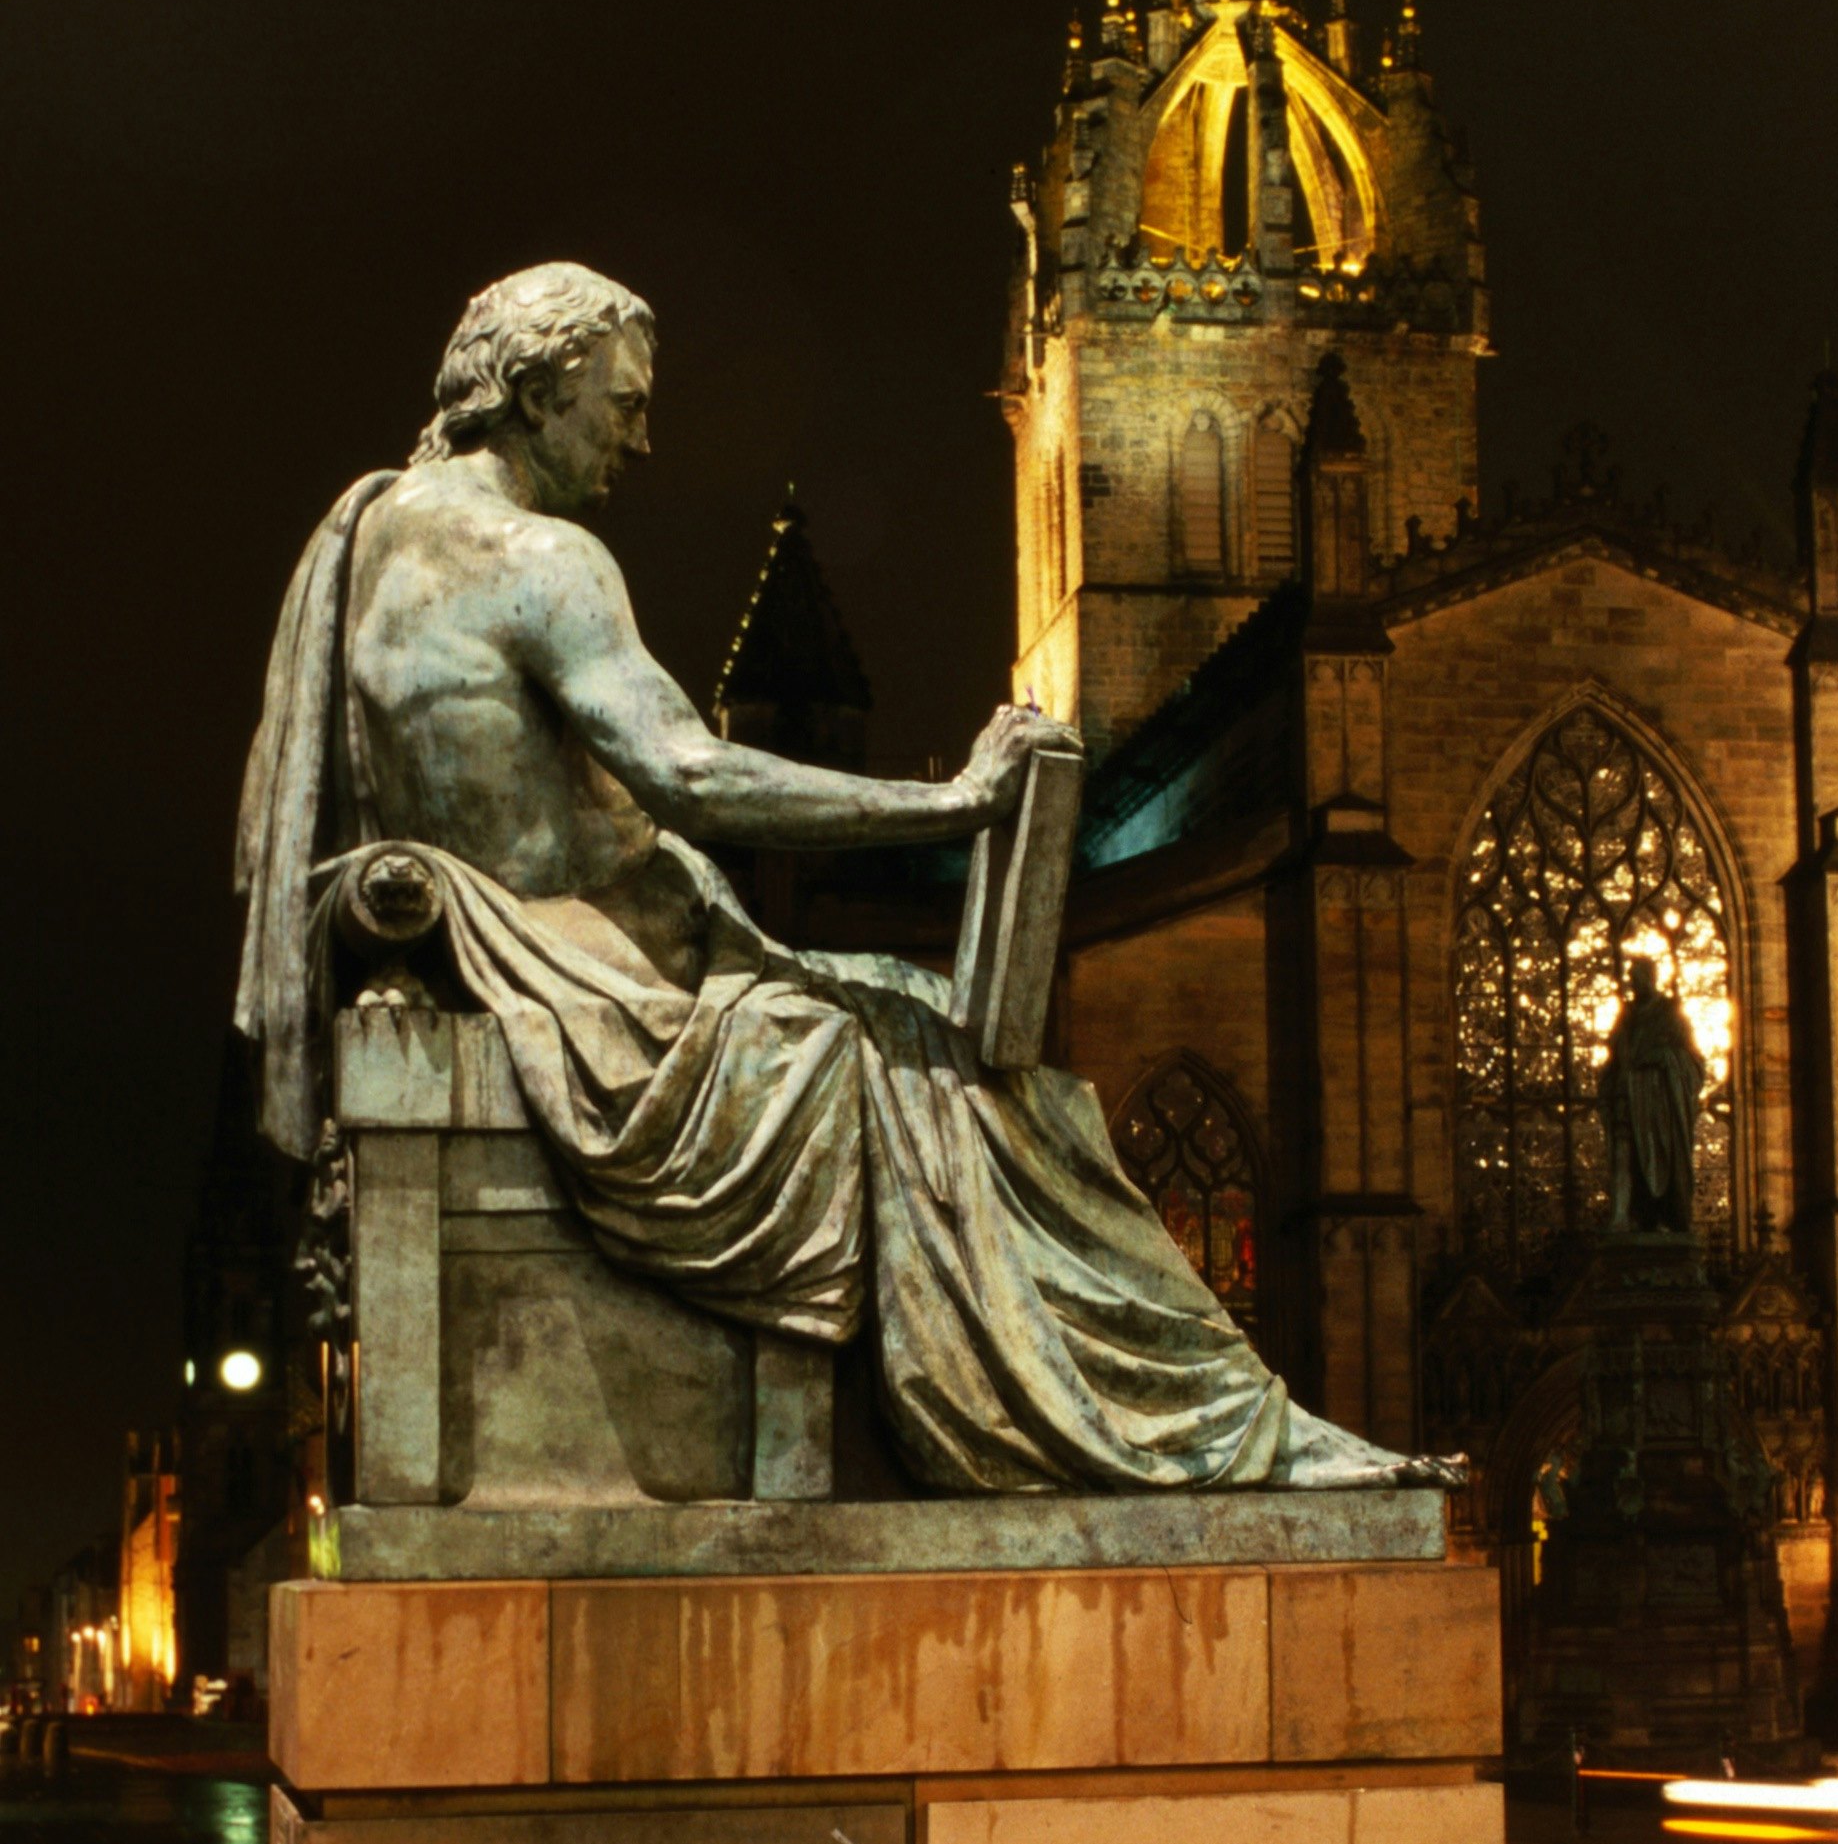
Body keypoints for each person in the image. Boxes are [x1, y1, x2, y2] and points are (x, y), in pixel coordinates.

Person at [235, 262, 1445, 1494]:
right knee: (951, 1070)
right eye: (624, 403)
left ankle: (1216, 1417)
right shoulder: (542, 558)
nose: (641, 440)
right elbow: (692, 773)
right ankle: (1207, 1428)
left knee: (928, 1032)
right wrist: (958, 801)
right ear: (541, 390)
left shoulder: (368, 529)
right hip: (583, 973)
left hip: (536, 947)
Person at [1597, 955, 1705, 1238]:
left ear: (1650, 978)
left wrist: (1664, 1057)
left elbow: (1693, 1061)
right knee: (1623, 1153)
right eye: (1631, 980)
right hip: (1627, 1093)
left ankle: (1662, 1215)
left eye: (1637, 979)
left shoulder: (1670, 1013)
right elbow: (1616, 1053)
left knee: (1659, 1157)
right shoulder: (1627, 1015)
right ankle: (1622, 1216)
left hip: (1658, 1101)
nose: (1632, 985)